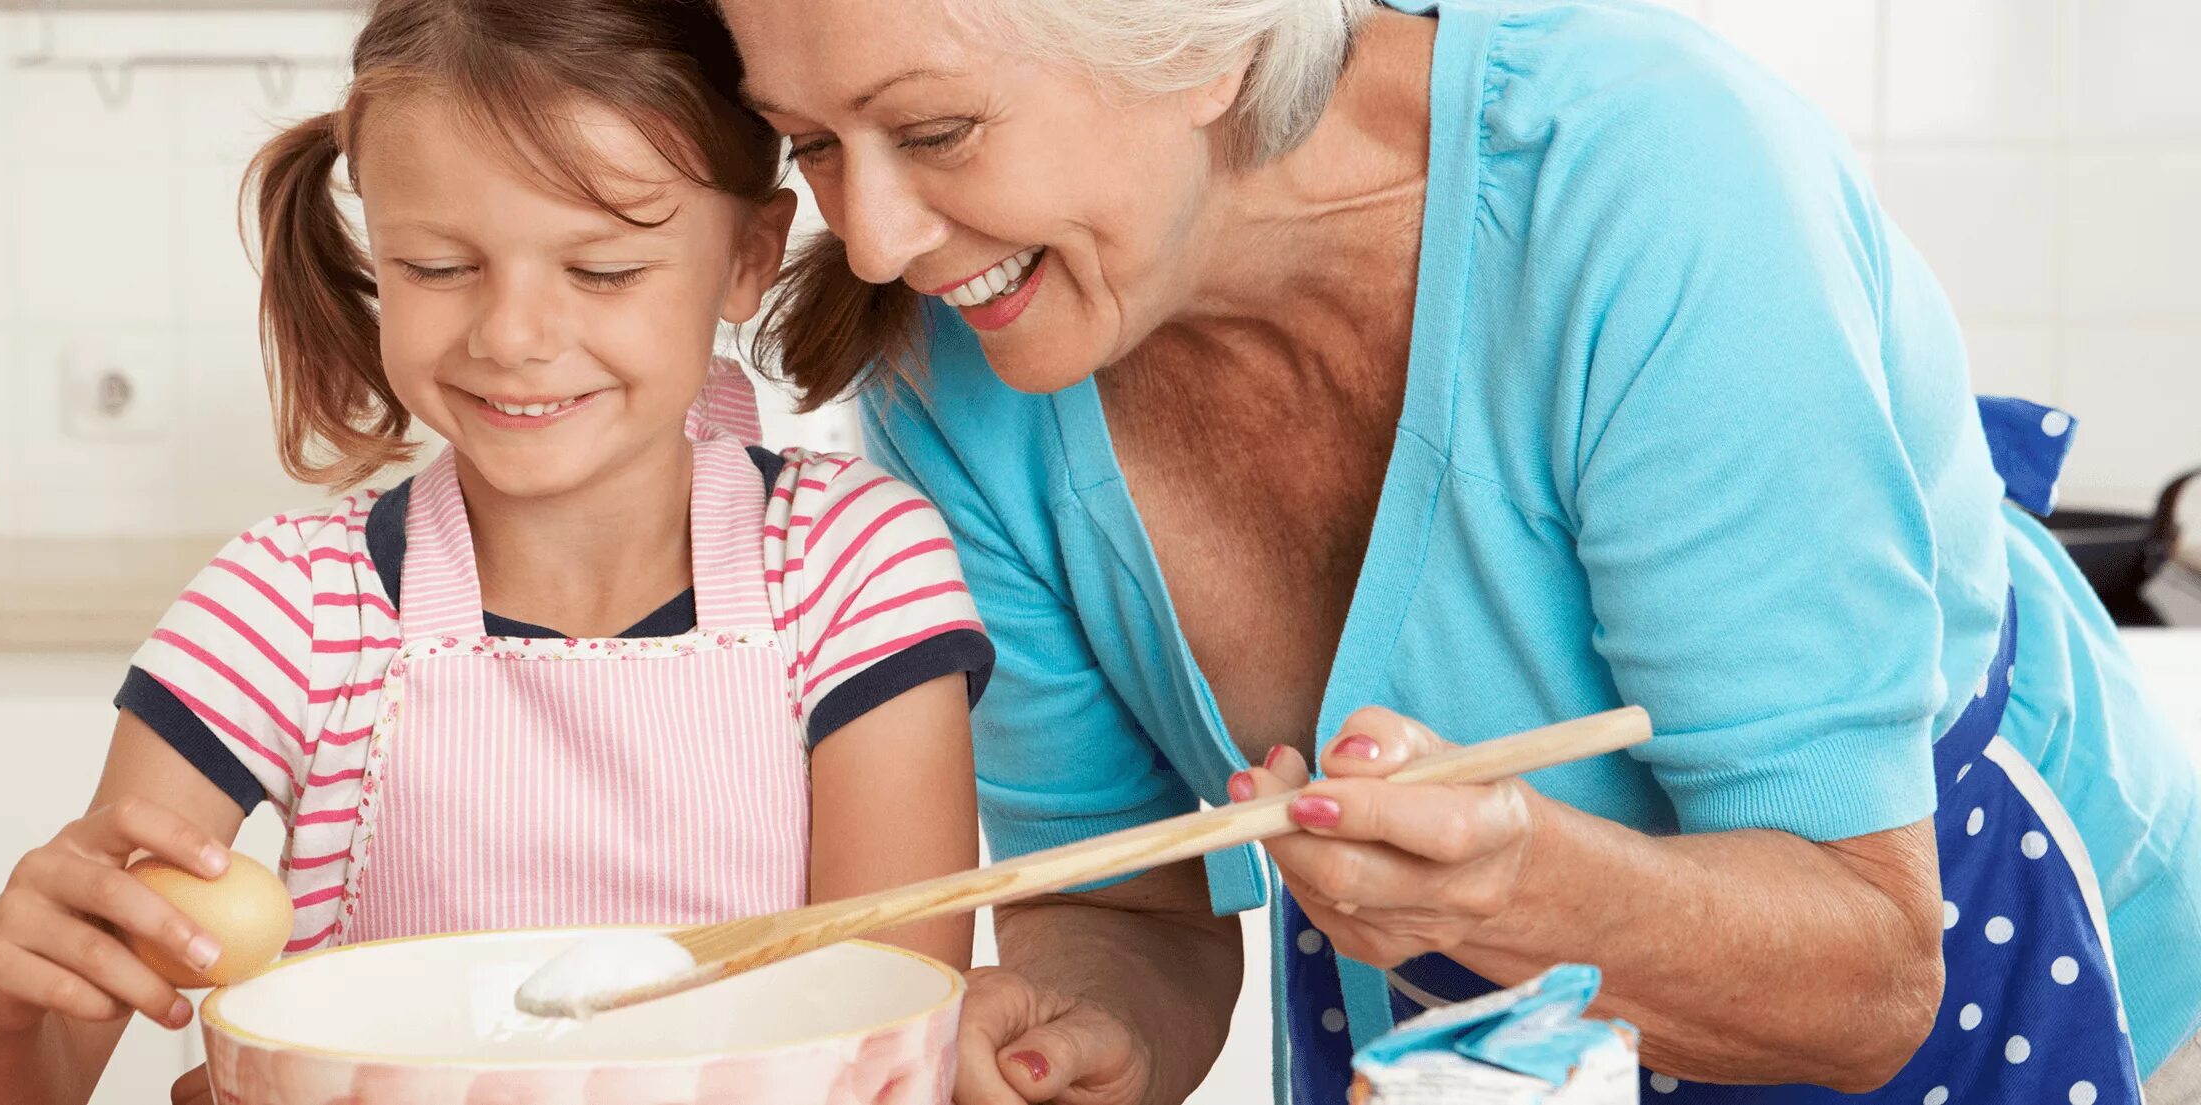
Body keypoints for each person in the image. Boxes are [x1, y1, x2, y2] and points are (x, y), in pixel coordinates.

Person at [715, 0, 2201, 1101]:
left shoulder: (1645, 184)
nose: (878, 239)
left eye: (934, 131)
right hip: (1461, 1019)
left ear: (1206, 40)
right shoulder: (955, 369)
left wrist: (1511, 898)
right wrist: (1065, 1032)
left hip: (1948, 949)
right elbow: (1119, 903)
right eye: (811, 146)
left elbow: (1869, 971)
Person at [0, 1, 993, 1099]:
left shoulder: (852, 567)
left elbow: (888, 1035)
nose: (511, 337)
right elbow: (25, 1074)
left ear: (746, 257)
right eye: (435, 267)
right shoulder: (283, 611)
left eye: (603, 270)